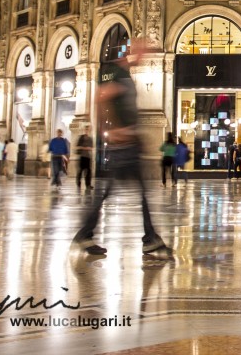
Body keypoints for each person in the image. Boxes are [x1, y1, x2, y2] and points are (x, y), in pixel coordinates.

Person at [72, 39, 172, 259]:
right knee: (126, 193)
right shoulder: (116, 72)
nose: (144, 52)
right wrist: (114, 130)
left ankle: (87, 234)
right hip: (124, 146)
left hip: (129, 144)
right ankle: (148, 240)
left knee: (118, 193)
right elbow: (101, 99)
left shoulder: (124, 73)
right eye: (142, 49)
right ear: (131, 51)